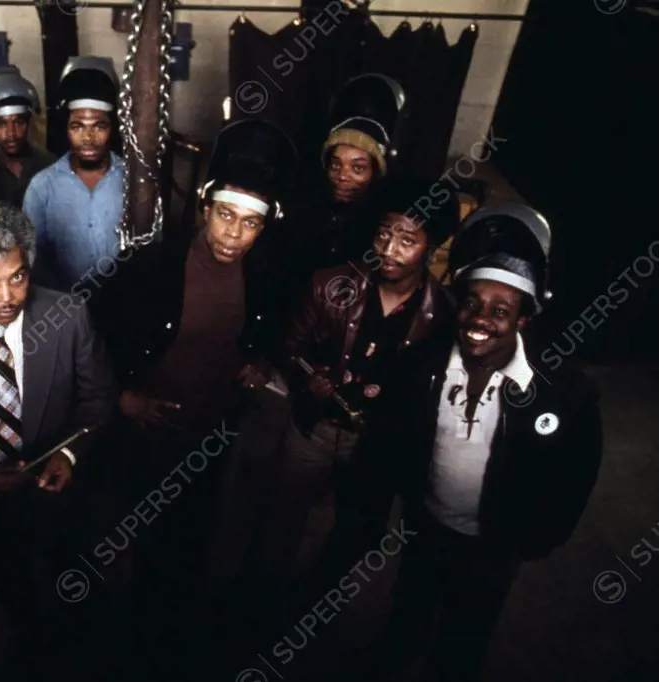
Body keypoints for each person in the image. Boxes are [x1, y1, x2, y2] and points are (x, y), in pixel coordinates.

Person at [366, 204, 602, 682]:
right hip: (427, 524)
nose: (481, 319)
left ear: (522, 320)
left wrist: (538, 537)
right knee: (410, 609)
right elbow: (392, 438)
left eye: (501, 311)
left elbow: (577, 472)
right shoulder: (421, 366)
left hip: (494, 545)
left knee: (465, 633)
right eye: (472, 304)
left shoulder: (562, 390)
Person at [103, 119, 298, 677]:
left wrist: (255, 364)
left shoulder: (265, 276)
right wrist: (124, 401)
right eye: (227, 216)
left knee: (196, 534)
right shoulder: (149, 270)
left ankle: (184, 639)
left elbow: (256, 337)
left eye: (252, 224)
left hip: (210, 432)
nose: (235, 236)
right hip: (147, 433)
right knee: (144, 541)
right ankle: (140, 641)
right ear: (205, 209)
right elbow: (96, 344)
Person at [0, 202, 117, 679]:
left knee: (66, 590)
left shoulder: (68, 315)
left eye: (18, 276)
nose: (7, 296)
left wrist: (69, 453)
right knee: (0, 589)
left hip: (52, 491)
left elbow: (99, 396)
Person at [265, 175, 459, 583]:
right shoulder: (330, 284)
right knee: (279, 521)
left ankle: (315, 603)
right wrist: (307, 378)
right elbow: (289, 346)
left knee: (355, 533)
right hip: (311, 430)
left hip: (377, 446)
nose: (389, 250)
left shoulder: (443, 316)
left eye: (408, 240)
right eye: (384, 234)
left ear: (432, 245)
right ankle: (263, 594)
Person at [283, 73, 406, 292]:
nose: (342, 176)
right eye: (336, 164)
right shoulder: (302, 206)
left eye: (358, 168)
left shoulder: (384, 225)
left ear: (375, 172)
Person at [23, 57, 124, 292]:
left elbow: (150, 250)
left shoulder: (134, 181)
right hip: (62, 310)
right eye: (77, 127)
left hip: (122, 307)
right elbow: (32, 257)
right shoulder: (42, 187)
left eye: (98, 127)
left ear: (112, 128)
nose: (88, 138)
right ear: (66, 129)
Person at [0, 66, 57, 207]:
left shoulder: (49, 164)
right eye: (1, 124)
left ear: (29, 121)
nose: (11, 133)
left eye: (19, 122)